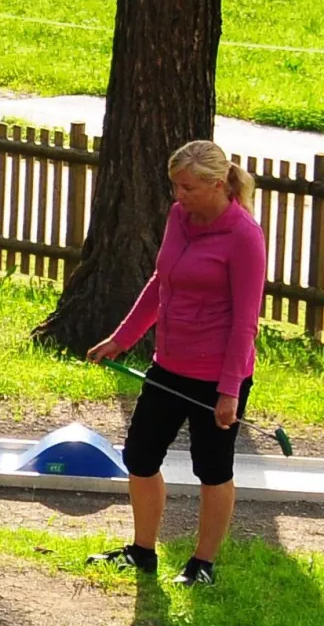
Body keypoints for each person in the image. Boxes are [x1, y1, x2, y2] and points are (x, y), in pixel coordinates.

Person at [86, 140, 267, 587]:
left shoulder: (244, 236)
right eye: (175, 186)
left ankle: (202, 564)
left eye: (187, 187)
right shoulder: (178, 219)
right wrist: (121, 339)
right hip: (169, 365)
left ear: (217, 184)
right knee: (140, 456)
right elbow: (159, 282)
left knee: (213, 468)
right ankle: (142, 551)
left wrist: (229, 391)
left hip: (217, 375)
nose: (178, 195)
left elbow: (246, 320)